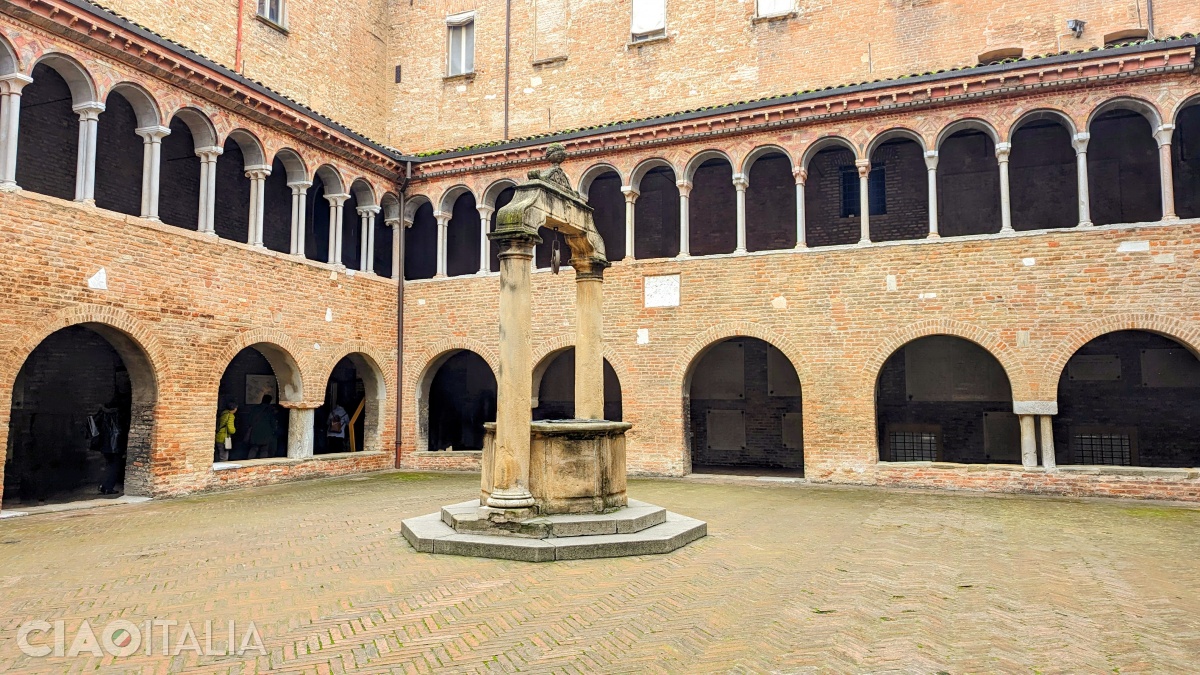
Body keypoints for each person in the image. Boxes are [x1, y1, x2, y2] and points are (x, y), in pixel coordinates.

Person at [89, 404, 123, 495]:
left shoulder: (102, 414)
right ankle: (108, 487)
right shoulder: (119, 414)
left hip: (105, 444)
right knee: (114, 467)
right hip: (116, 445)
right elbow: (121, 430)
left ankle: (104, 486)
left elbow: (91, 424)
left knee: (109, 465)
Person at [246, 395, 280, 459]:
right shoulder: (270, 410)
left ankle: (249, 461)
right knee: (264, 450)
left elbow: (250, 420)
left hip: (255, 432)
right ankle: (262, 463)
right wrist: (274, 430)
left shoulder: (255, 408)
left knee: (253, 448)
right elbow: (273, 422)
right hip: (266, 433)